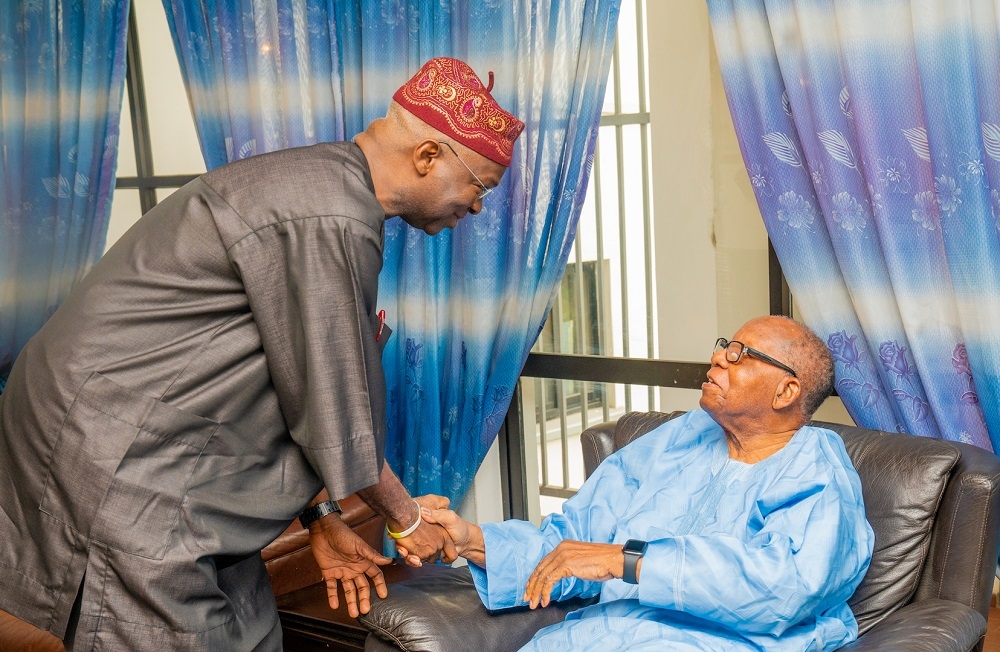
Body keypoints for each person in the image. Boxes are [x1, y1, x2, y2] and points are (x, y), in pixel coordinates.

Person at [0, 57, 523, 650]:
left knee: (247, 621)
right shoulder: (330, 217)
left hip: (172, 446)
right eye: (479, 188)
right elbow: (336, 410)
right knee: (167, 632)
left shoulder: (326, 190)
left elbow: (289, 379)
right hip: (121, 451)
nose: (477, 207)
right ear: (428, 157)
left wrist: (322, 518)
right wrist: (408, 521)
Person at [414, 316, 875, 651]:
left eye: (740, 354)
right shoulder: (680, 437)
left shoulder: (818, 469)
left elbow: (783, 587)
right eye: (724, 346)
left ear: (786, 392)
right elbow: (577, 543)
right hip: (601, 635)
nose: (718, 357)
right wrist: (473, 541)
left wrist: (628, 562)